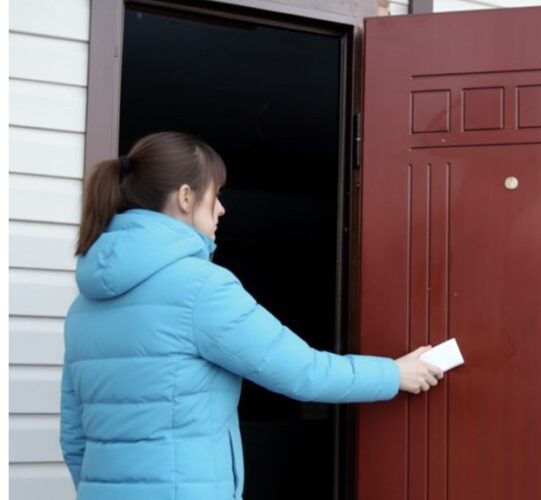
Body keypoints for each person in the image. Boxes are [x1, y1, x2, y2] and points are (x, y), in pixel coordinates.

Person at [60, 131, 444, 500]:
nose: (222, 208)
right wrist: (394, 374)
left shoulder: (83, 307)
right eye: (216, 194)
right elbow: (303, 372)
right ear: (186, 197)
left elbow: (73, 437)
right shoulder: (201, 288)